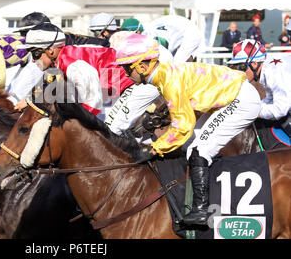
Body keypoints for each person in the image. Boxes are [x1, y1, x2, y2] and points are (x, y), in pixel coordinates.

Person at [112, 34, 261, 226]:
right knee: (190, 145)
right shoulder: (163, 76)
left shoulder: (168, 80)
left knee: (200, 150)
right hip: (228, 98)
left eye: (127, 68)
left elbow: (183, 125)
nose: (125, 73)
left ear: (142, 66)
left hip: (240, 100)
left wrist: (155, 148)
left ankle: (202, 210)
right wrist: (153, 143)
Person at [16, 23, 133, 115]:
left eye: (35, 54)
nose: (33, 60)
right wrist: (28, 100)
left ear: (50, 50)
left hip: (131, 84)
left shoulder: (73, 65)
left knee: (111, 128)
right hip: (115, 89)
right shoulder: (59, 60)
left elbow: (93, 104)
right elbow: (46, 82)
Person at [227, 39, 291, 129]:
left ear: (254, 64)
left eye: (242, 67)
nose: (240, 72)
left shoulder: (273, 72)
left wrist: (251, 111)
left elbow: (279, 111)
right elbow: (269, 100)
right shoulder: (267, 69)